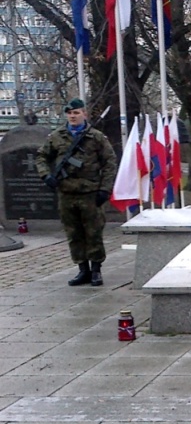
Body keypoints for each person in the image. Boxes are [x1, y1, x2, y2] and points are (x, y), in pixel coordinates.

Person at [35, 98, 117, 287]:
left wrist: (105, 189)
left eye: (76, 113)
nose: (72, 116)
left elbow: (110, 163)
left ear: (84, 114)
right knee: (73, 233)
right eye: (70, 113)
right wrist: (46, 175)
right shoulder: (56, 136)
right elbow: (41, 156)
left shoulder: (95, 137)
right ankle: (83, 269)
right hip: (66, 193)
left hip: (90, 193)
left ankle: (96, 270)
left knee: (94, 233)